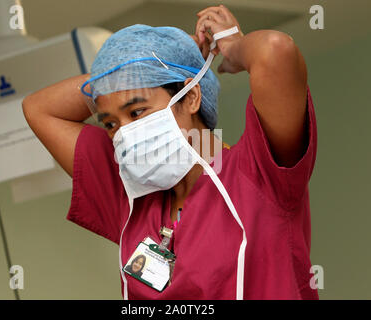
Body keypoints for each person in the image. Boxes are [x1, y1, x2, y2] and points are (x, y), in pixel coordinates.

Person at [22, 5, 318, 300]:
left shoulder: (257, 174)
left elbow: (275, 50)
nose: (124, 133)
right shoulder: (129, 197)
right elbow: (38, 109)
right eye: (110, 123)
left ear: (190, 97)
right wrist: (129, 65)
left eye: (136, 111)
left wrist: (232, 46)